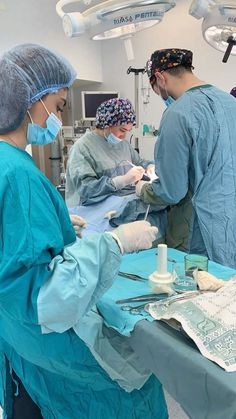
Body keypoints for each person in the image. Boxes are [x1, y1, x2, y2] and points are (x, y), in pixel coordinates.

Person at [0, 43, 168, 419]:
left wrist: (58, 223)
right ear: (31, 101)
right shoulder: (19, 175)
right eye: (59, 105)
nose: (59, 115)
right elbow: (45, 298)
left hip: (16, 335)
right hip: (48, 340)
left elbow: (14, 257)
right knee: (137, 378)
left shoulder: (5, 165)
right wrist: (115, 242)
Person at [136, 48, 236, 268]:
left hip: (198, 231)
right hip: (230, 221)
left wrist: (143, 189)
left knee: (197, 293)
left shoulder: (177, 114)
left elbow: (173, 191)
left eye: (154, 88)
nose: (159, 94)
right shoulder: (230, 103)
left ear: (160, 77)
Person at [65, 98, 155, 207]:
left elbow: (139, 162)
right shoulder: (82, 148)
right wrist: (121, 181)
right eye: (122, 130)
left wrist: (149, 166)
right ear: (106, 124)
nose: (124, 136)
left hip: (118, 206)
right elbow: (86, 189)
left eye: (127, 131)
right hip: (91, 214)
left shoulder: (123, 144)